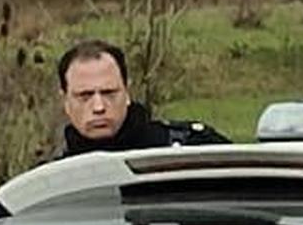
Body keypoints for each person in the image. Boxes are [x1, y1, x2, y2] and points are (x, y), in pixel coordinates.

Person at [51, 39, 215, 157]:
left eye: (109, 93)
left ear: (127, 92)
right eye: (85, 96)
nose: (99, 107)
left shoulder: (191, 151)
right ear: (65, 101)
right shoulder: (47, 186)